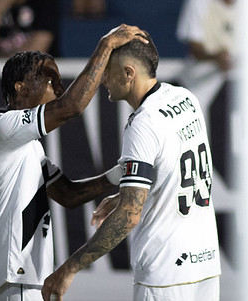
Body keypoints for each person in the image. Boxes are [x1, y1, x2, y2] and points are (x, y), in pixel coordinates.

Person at [42, 32, 221, 301]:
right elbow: (174, 172)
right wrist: (125, 193)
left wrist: (70, 268)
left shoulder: (143, 122)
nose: (102, 80)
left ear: (128, 73)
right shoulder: (185, 98)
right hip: (205, 265)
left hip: (165, 274)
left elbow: (129, 215)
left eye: (106, 71)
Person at [0, 24, 146, 301]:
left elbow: (68, 194)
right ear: (21, 88)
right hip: (11, 279)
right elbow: (70, 107)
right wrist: (106, 45)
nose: (59, 87)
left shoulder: (24, 145)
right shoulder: (0, 127)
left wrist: (120, 174)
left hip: (16, 280)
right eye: (50, 79)